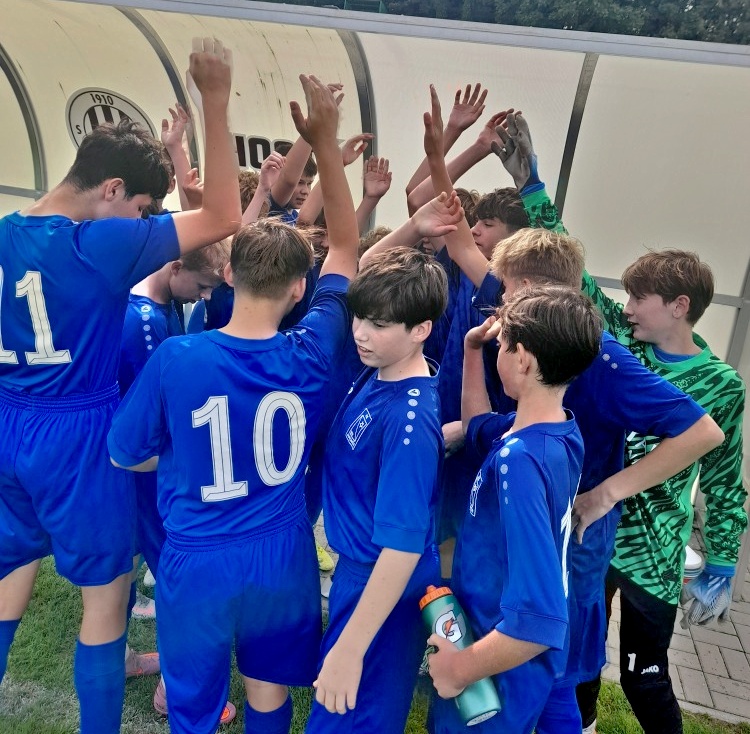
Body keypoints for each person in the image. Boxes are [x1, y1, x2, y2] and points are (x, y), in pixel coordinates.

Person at [0, 37, 240, 734]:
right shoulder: (96, 244)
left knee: (8, 584)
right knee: (104, 605)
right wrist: (215, 98)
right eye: (139, 207)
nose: (142, 222)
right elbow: (224, 217)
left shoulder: (5, 230)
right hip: (78, 431)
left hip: (9, 420)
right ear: (110, 190)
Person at [108, 74, 359, 734]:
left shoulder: (176, 357)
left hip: (198, 558)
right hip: (282, 556)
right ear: (300, 288)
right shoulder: (313, 351)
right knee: (268, 701)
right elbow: (346, 247)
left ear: (227, 273)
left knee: (193, 710)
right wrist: (326, 142)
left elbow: (125, 454)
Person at [572, 250, 746, 734]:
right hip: (594, 532)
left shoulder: (722, 384)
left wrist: (723, 560)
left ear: (678, 306)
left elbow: (724, 478)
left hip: (653, 553)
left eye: (638, 298)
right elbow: (575, 276)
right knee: (582, 658)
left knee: (643, 678)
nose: (626, 308)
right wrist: (534, 200)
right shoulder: (625, 345)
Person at [428, 285, 602, 733]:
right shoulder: (554, 431)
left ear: (522, 359)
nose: (497, 351)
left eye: (501, 345)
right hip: (501, 658)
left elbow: (538, 621)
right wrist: (472, 351)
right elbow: (477, 425)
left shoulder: (520, 462)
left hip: (495, 670)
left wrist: (460, 668)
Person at [305, 242, 453, 734]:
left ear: (421, 330)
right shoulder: (381, 370)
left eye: (379, 324)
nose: (360, 333)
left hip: (380, 580)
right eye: (359, 317)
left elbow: (402, 549)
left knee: (349, 718)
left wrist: (351, 648)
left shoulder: (407, 421)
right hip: (360, 572)